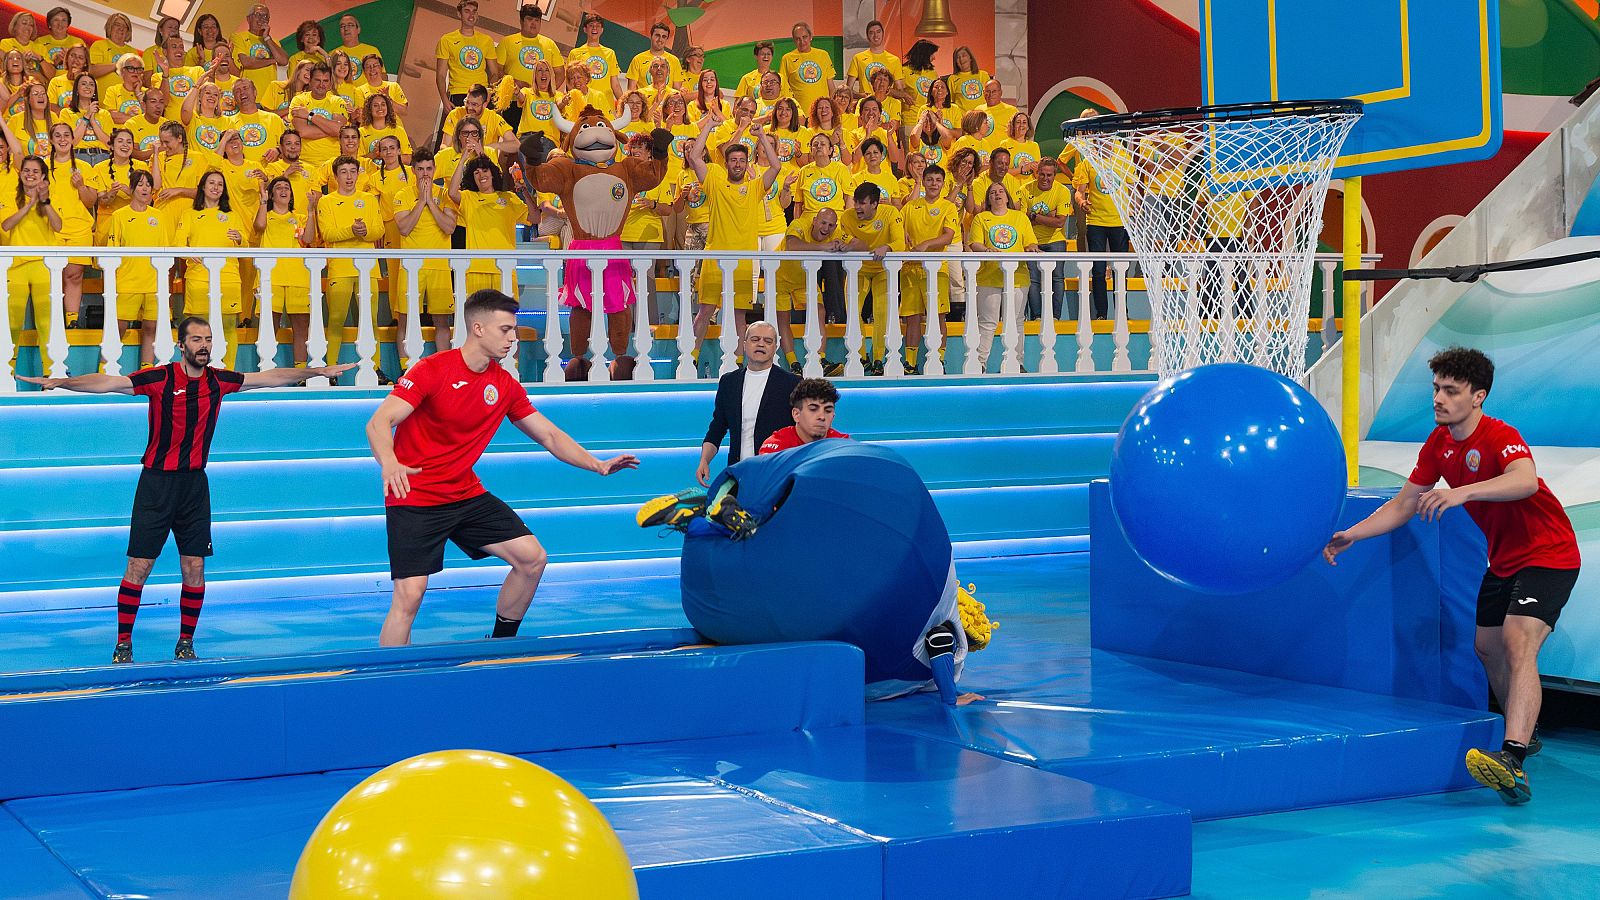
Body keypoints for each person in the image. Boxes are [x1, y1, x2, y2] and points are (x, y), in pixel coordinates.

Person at [1324, 348, 1581, 805]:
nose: (1439, 399)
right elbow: (1404, 504)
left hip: (1549, 554)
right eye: (1436, 389)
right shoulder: (1438, 444)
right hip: (1503, 560)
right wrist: (1353, 535)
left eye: (1451, 391)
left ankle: (1513, 757)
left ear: (1478, 397)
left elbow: (1524, 480)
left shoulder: (1500, 436)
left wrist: (1463, 492)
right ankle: (1529, 731)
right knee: (1486, 648)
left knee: (1518, 642)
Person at [21, 318, 349, 662]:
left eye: (208, 339)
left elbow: (273, 376)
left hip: (195, 486)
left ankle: (186, 643)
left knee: (194, 567)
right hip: (156, 484)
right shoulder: (160, 378)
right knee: (139, 566)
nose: (203, 345)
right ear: (182, 346)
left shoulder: (220, 381)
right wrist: (61, 381)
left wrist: (318, 371)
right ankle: (123, 643)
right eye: (196, 339)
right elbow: (107, 382)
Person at [365, 290, 638, 646]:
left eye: (514, 330)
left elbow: (550, 436)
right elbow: (379, 422)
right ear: (478, 328)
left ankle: (501, 644)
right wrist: (390, 462)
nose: (513, 338)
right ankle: (391, 680)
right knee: (410, 595)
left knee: (532, 559)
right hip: (414, 495)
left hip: (464, 493)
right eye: (506, 329)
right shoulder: (432, 370)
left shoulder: (504, 385)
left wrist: (597, 465)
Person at [686, 115, 781, 367]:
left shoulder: (755, 188)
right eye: (733, 160)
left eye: (741, 160)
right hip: (714, 259)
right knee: (705, 311)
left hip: (743, 263)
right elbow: (695, 157)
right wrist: (708, 126)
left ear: (746, 163)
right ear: (726, 163)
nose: (737, 164)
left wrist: (761, 136)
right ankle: (691, 359)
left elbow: (776, 167)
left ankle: (739, 363)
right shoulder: (715, 183)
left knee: (740, 316)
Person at [694, 320, 801, 485]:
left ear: (775, 347)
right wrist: (704, 460)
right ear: (744, 344)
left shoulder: (792, 383)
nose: (761, 344)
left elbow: (801, 430)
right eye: (755, 339)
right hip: (738, 474)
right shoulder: (729, 382)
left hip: (777, 475)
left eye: (768, 341)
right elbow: (717, 427)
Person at [966, 180, 1038, 371]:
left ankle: (1016, 363)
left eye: (1000, 192)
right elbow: (974, 244)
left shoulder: (1020, 218)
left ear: (1007, 197)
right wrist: (987, 249)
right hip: (989, 277)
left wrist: (1031, 248)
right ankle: (980, 364)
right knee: (987, 323)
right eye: (992, 193)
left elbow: (1030, 243)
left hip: (1018, 277)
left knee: (1016, 322)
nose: (997, 195)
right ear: (988, 200)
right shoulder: (981, 218)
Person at [837, 181, 906, 373]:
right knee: (853, 310)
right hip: (858, 269)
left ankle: (877, 359)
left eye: (862, 203)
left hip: (883, 269)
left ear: (875, 204)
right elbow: (855, 244)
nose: (857, 207)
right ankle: (860, 356)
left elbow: (900, 242)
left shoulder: (891, 213)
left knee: (882, 313)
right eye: (856, 202)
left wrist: (887, 247)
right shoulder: (846, 217)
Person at [1022, 158, 1073, 320]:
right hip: (1032, 241)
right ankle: (1036, 316)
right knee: (1033, 280)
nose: (1045, 178)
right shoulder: (1025, 189)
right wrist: (1047, 216)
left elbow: (1059, 222)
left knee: (1057, 278)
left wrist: (1034, 216)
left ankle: (1055, 317)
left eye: (1049, 175)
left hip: (1055, 240)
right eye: (1042, 174)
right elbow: (1022, 220)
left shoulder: (1062, 191)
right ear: (1036, 174)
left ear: (1055, 175)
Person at [435, 0, 498, 112]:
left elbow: (494, 72)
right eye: (467, 11)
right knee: (460, 129)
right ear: (459, 14)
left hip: (481, 94)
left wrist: (489, 93)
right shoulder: (447, 40)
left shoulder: (486, 40)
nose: (471, 15)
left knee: (481, 129)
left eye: (474, 12)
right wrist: (444, 100)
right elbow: (440, 75)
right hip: (458, 92)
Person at [759, 377, 849, 454]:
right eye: (813, 409)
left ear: (833, 416)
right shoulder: (777, 446)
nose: (822, 417)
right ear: (796, 414)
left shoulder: (844, 445)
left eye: (828, 410)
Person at [568, 13, 622, 114]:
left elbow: (615, 84)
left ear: (602, 30)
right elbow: (570, 83)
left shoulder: (610, 53)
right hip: (583, 103)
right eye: (591, 25)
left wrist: (624, 103)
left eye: (597, 26)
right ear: (585, 29)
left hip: (606, 104)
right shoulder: (575, 53)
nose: (594, 28)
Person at [781, 22, 835, 121]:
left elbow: (831, 87)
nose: (802, 41)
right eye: (798, 39)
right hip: (799, 115)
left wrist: (832, 109)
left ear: (810, 37)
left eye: (804, 37)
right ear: (794, 40)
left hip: (822, 114)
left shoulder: (823, 55)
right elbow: (784, 89)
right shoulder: (787, 58)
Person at [233, 5, 287, 97]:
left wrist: (266, 38)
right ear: (248, 18)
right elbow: (246, 62)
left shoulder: (273, 41)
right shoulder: (238, 37)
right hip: (249, 95)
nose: (262, 19)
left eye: (265, 16)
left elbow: (283, 61)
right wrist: (273, 60)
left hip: (270, 96)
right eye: (258, 15)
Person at [626, 21, 680, 94]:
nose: (660, 40)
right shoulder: (638, 59)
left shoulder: (674, 60)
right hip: (645, 104)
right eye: (657, 35)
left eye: (664, 37)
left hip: (666, 104)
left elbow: (677, 91)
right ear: (651, 36)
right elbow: (631, 91)